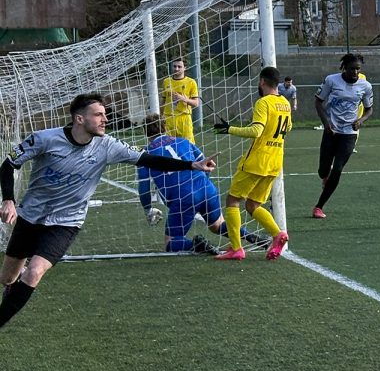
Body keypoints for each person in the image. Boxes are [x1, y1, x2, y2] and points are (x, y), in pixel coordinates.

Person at [0, 93, 217, 329]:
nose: (105, 119)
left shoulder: (109, 146)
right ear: (79, 119)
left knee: (34, 272)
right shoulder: (45, 139)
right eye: (98, 115)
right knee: (7, 278)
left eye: (105, 114)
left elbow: (148, 159)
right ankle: (13, 285)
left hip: (66, 222)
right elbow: (9, 164)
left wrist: (191, 165)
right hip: (31, 216)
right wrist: (9, 200)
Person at [212, 66, 291, 261]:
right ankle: (278, 234)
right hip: (274, 161)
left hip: (257, 161)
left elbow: (256, 131)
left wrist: (230, 129)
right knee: (253, 204)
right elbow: (288, 127)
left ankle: (236, 248)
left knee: (232, 200)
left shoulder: (263, 103)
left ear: (262, 82)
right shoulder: (285, 103)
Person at [137, 114, 226, 254]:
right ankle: (254, 237)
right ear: (165, 127)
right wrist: (202, 182)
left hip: (182, 198)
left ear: (145, 132)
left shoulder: (145, 155)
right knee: (218, 225)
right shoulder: (183, 141)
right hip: (206, 188)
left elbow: (144, 189)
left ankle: (197, 245)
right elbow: (204, 162)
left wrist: (148, 209)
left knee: (170, 242)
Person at [311, 54, 373, 219]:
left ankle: (319, 206)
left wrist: (361, 120)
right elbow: (318, 102)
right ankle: (326, 176)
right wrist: (326, 123)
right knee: (323, 170)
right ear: (344, 67)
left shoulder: (365, 86)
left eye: (358, 68)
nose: (355, 71)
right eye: (352, 68)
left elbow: (369, 109)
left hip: (349, 134)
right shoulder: (331, 80)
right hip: (331, 131)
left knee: (337, 169)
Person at [161, 58, 201, 140]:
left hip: (184, 118)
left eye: (179, 66)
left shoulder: (191, 82)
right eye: (174, 66)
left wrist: (184, 99)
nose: (176, 69)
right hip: (169, 119)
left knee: (187, 145)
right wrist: (160, 116)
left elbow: (196, 103)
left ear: (185, 68)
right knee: (169, 146)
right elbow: (163, 101)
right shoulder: (166, 81)